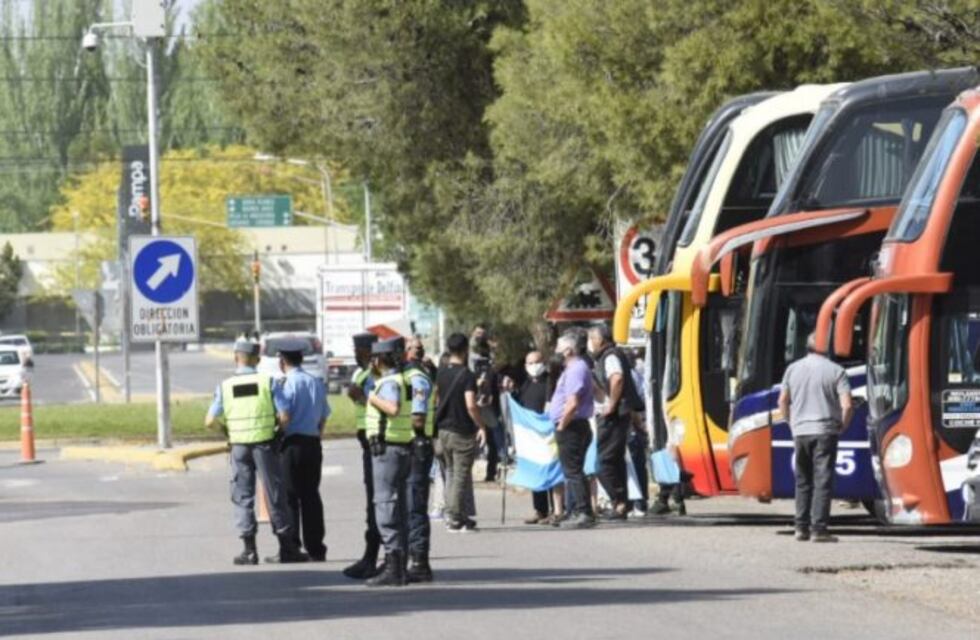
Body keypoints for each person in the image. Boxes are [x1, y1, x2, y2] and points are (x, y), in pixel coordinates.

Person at [205, 338, 306, 565]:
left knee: (243, 496)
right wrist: (278, 432)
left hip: (239, 446)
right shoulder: (268, 382)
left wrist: (227, 432)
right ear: (257, 360)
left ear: (235, 358)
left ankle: (249, 551)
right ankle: (286, 547)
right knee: (274, 494)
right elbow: (285, 416)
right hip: (265, 445)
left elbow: (209, 421)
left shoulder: (225, 386)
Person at [778, 332, 854, 543]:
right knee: (822, 480)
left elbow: (782, 401)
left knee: (802, 480)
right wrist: (843, 425)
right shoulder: (836, 371)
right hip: (825, 431)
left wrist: (791, 422)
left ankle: (800, 528)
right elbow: (847, 405)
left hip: (800, 431)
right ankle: (819, 529)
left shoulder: (792, 369)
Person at [272, 339, 330, 562]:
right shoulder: (315, 382)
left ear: (282, 361)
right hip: (312, 443)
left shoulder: (285, 384)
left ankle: (292, 546)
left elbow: (284, 416)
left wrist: (277, 435)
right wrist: (316, 435)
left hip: (291, 444)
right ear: (302, 359)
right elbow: (324, 415)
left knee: (289, 497)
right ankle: (316, 548)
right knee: (311, 495)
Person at [364, 337, 414, 587]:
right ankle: (398, 565)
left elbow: (393, 409)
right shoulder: (402, 379)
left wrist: (372, 398)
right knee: (398, 506)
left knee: (385, 505)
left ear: (378, 360)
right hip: (400, 446)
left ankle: (393, 566)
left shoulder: (388, 383)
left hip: (388, 450)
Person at [588, 323, 643, 520]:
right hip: (617, 414)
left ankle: (619, 501)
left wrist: (611, 405)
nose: (590, 343)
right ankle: (621, 505)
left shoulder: (610, 356)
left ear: (600, 339)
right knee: (615, 460)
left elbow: (617, 379)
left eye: (592, 339)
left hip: (614, 415)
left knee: (603, 461)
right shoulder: (605, 356)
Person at [436, 333, 487, 532]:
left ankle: (454, 513)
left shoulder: (441, 372)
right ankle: (455, 517)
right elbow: (471, 405)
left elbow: (437, 399)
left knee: (450, 473)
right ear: (465, 349)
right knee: (460, 476)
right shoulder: (467, 375)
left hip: (443, 430)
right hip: (461, 430)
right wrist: (481, 426)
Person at [343, 332, 383, 579]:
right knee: (373, 502)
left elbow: (385, 405)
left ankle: (380, 558)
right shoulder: (362, 373)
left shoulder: (377, 375)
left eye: (358, 350)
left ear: (369, 351)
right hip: (366, 440)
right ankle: (370, 556)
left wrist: (361, 397)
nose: (355, 354)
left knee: (378, 502)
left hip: (376, 441)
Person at [503, 350, 557, 524]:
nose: (534, 366)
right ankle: (540, 510)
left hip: (548, 433)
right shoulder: (525, 384)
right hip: (531, 435)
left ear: (544, 363)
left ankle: (556, 510)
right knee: (536, 471)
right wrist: (510, 391)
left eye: (536, 362)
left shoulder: (551, 381)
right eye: (530, 363)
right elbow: (518, 404)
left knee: (551, 471)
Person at [549, 330, 596, 529]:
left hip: (572, 426)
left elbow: (572, 403)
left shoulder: (576, 369)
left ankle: (584, 512)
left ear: (568, 350)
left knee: (573, 471)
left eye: (559, 347)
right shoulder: (572, 369)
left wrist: (561, 425)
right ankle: (576, 510)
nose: (556, 350)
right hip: (572, 425)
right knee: (573, 470)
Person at [404, 336, 436, 582]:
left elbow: (418, 417)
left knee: (415, 504)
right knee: (406, 504)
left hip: (416, 444)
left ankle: (419, 561)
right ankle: (406, 557)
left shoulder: (416, 377)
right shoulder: (409, 374)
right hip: (409, 445)